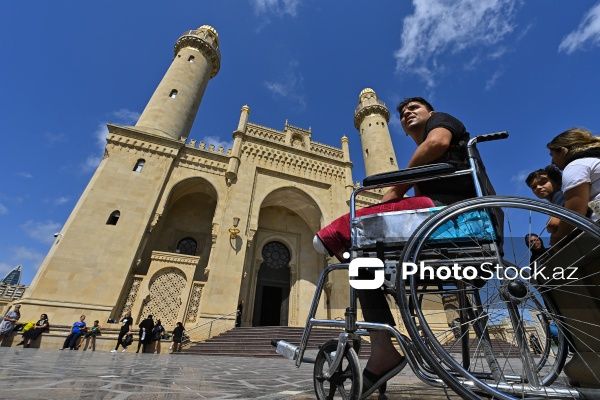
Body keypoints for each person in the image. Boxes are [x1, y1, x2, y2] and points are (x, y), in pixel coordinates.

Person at [314, 97, 475, 395]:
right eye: (402, 113)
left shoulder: (442, 124)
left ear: (432, 112)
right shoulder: (427, 160)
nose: (407, 113)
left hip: (449, 215)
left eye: (414, 107)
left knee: (357, 224)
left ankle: (329, 238)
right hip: (442, 227)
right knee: (365, 262)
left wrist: (396, 188)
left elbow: (437, 142)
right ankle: (382, 346)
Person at [547, 128, 600, 245]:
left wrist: (556, 241)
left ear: (562, 151)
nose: (552, 161)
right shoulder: (594, 159)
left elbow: (575, 214)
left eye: (553, 155)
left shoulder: (576, 166)